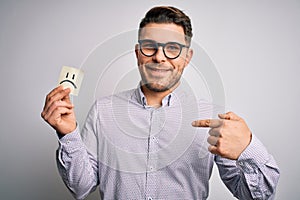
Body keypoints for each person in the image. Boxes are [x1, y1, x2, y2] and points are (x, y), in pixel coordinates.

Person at [41, 6, 280, 200]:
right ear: (137, 53)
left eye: (173, 49)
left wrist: (247, 148)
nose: (159, 57)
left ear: (187, 57)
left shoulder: (214, 119)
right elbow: (81, 188)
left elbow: (257, 196)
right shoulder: (103, 111)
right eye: (150, 47)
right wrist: (68, 134)